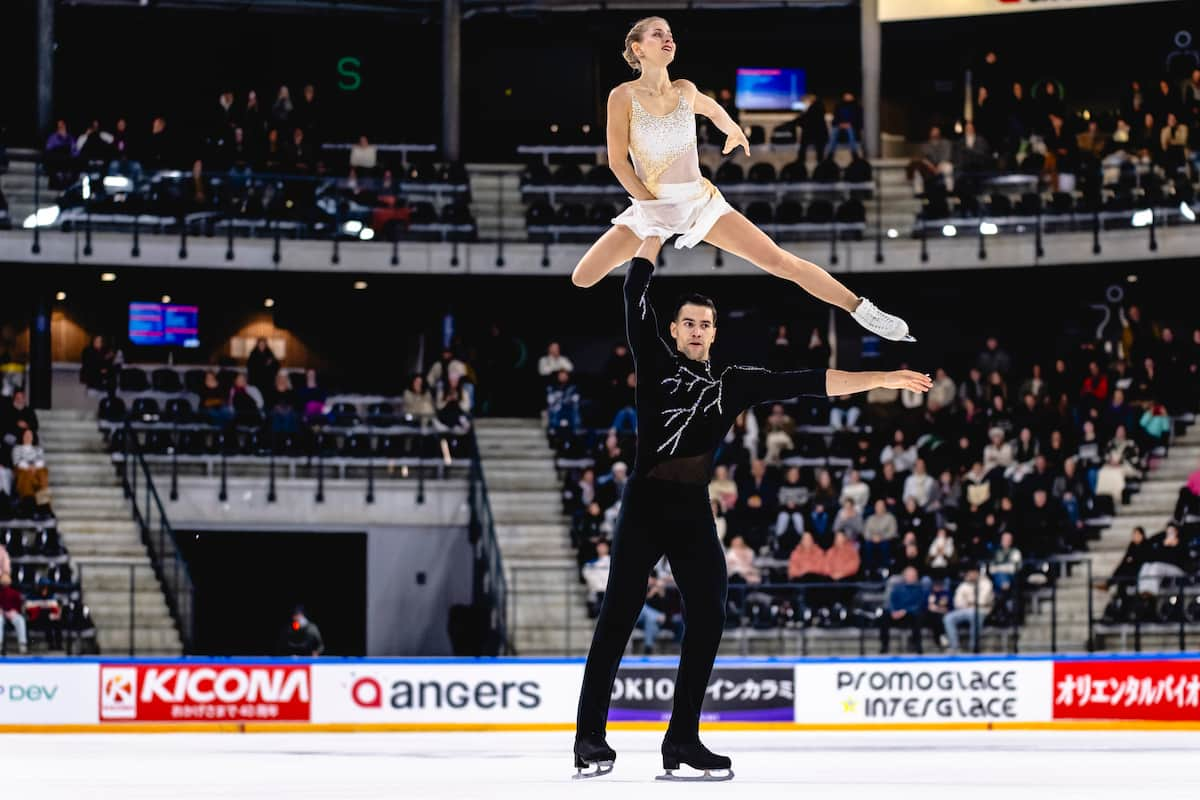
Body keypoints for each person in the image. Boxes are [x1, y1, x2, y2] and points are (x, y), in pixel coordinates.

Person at [571, 231, 931, 778]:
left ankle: (682, 740)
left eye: (704, 324)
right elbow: (632, 296)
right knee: (618, 616)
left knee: (710, 615)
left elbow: (809, 382)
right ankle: (589, 740)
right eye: (687, 322)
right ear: (673, 330)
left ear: (715, 333)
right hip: (645, 504)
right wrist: (649, 232)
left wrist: (881, 377)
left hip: (692, 509)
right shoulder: (653, 358)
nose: (695, 330)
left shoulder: (732, 382)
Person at [569, 16, 915, 347]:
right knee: (583, 277)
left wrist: (732, 129)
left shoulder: (685, 90)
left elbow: (715, 110)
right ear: (638, 48)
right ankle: (644, 253)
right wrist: (651, 210)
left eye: (670, 33)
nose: (667, 38)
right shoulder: (623, 96)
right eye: (658, 33)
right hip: (649, 205)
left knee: (780, 262)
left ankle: (861, 309)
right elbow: (617, 162)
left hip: (698, 203)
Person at [944, 567, 994, 653]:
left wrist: (969, 602)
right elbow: (957, 602)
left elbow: (982, 601)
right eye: (969, 572)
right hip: (965, 610)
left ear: (977, 573)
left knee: (974, 615)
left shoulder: (986, 583)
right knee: (948, 618)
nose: (971, 575)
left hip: (982, 610)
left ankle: (974, 647)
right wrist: (971, 603)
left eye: (973, 572)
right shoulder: (963, 585)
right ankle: (955, 647)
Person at [880, 566, 929, 654]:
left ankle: (918, 647)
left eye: (913, 576)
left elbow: (920, 604)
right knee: (884, 616)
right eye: (909, 575)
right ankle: (884, 646)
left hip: (911, 615)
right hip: (897, 614)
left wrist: (905, 611)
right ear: (904, 576)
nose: (911, 578)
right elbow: (891, 601)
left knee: (917, 616)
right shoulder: (897, 588)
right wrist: (893, 611)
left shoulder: (920, 588)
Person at [0, 573, 27, 655]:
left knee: (20, 620)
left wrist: (15, 611)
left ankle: (22, 644)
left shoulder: (15, 593)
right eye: (3, 579)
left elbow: (19, 606)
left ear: (10, 581)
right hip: (1, 614)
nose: (5, 581)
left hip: (12, 614)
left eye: (6, 579)